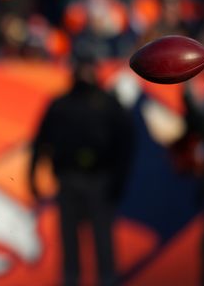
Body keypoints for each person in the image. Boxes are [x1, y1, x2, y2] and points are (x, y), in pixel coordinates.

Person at [29, 48, 134, 286]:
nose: (85, 72)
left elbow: (125, 145)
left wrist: (118, 181)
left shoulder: (109, 105)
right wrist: (33, 177)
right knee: (70, 247)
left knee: (103, 244)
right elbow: (41, 142)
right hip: (69, 179)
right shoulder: (61, 104)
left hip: (100, 180)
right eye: (81, 67)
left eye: (89, 67)